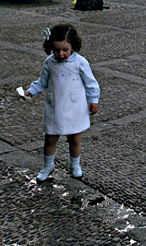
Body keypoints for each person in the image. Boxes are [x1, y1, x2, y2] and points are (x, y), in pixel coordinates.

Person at [25, 25, 100, 182]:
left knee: (74, 138)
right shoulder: (49, 63)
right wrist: (31, 91)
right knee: (51, 138)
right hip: (55, 107)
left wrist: (93, 100)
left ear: (72, 45)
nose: (60, 54)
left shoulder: (80, 62)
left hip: (74, 107)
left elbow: (91, 82)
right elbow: (42, 81)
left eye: (65, 50)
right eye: (56, 50)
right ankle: (47, 165)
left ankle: (75, 164)